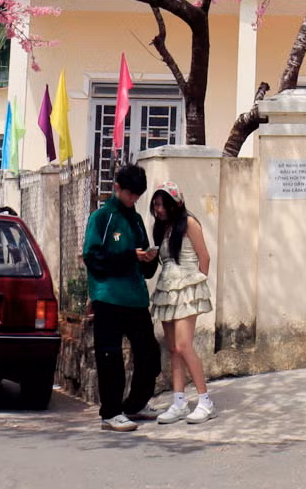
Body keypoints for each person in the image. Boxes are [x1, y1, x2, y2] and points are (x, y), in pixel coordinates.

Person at [84, 163, 163, 432]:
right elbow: (93, 258)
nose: (134, 200)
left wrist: (149, 260)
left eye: (137, 196)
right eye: (130, 194)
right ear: (117, 188)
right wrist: (131, 256)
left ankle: (135, 404)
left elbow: (145, 268)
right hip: (108, 296)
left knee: (150, 354)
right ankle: (111, 412)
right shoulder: (102, 218)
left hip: (136, 298)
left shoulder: (137, 219)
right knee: (110, 355)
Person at [148, 182, 215, 425]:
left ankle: (205, 401)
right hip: (167, 289)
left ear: (176, 203)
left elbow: (204, 257)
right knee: (174, 347)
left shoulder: (189, 223)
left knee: (185, 345)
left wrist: (196, 286)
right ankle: (179, 402)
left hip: (186, 288)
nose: (159, 209)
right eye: (155, 204)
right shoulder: (163, 228)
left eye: (163, 204)